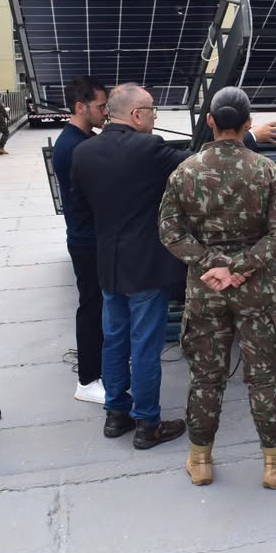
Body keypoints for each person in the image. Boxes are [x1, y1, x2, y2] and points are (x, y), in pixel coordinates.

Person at [159, 87, 276, 490]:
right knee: (263, 378)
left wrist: (212, 266)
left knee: (206, 378)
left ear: (210, 121)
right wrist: (240, 267)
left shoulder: (185, 172)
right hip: (257, 287)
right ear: (246, 123)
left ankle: (200, 461)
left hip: (206, 288)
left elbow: (170, 232)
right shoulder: (265, 170)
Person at [70, 83, 189, 450]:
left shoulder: (83, 153)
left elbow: (82, 210)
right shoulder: (149, 149)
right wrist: (246, 134)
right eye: (152, 110)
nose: (155, 117)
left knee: (115, 341)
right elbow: (200, 165)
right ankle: (148, 424)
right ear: (137, 115)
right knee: (145, 346)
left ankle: (116, 414)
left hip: (109, 263)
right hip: (146, 268)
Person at [52, 76, 109, 404]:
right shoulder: (74, 147)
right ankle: (88, 380)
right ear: (79, 107)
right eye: (100, 107)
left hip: (91, 237)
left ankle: (98, 368)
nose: (105, 112)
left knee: (99, 307)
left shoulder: (83, 139)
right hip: (88, 241)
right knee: (92, 307)